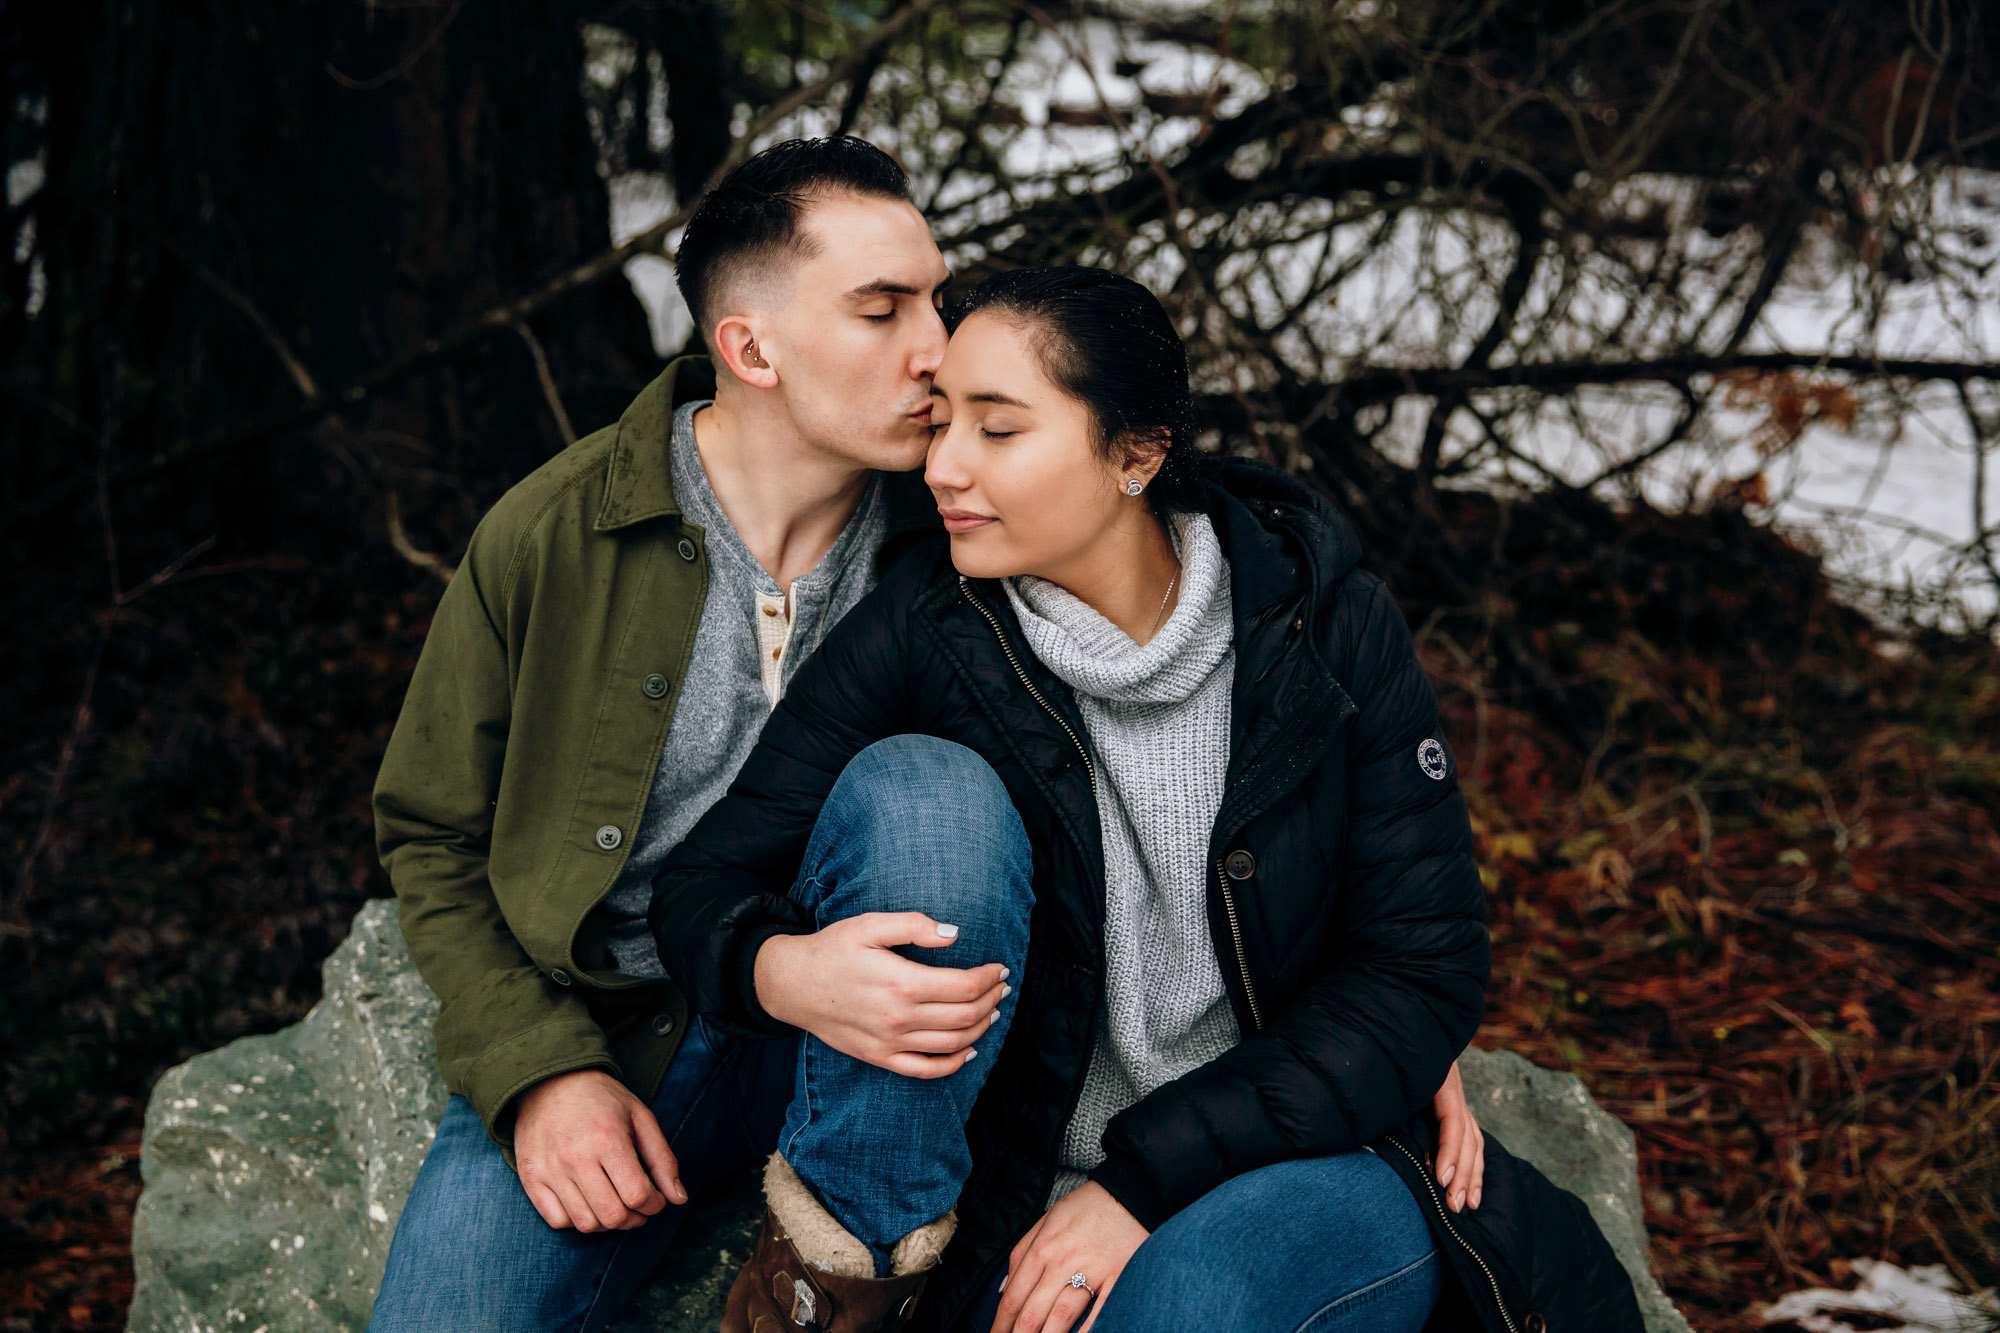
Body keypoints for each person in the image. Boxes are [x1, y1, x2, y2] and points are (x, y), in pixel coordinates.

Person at [366, 136, 1491, 1332]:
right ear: (749, 348)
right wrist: (539, 1067)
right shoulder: (564, 535)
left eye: (937, 303)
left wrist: (1373, 1015)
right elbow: (433, 834)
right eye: (881, 308)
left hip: (913, 1049)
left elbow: (1381, 914)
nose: (931, 349)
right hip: (638, 1022)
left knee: (925, 796)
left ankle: (852, 1279)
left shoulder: (971, 528)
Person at [649, 268, 1645, 1333]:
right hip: (1019, 1203)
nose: (941, 465)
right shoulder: (927, 628)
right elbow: (706, 884)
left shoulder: (1320, 623)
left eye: (997, 430)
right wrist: (782, 967)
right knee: (920, 793)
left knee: (1194, 1298)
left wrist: (1137, 1185)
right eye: (941, 422)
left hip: (1296, 1164)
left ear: (1135, 454)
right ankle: (841, 1302)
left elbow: (1421, 968)